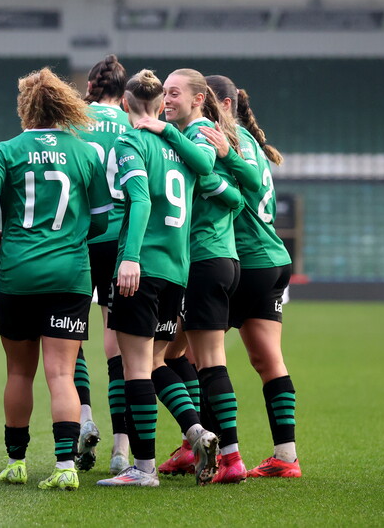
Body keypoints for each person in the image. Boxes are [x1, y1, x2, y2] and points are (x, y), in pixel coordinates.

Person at [0, 67, 113, 491]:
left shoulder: (6, 150)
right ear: (64, 106)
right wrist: (75, 236)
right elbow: (103, 221)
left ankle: (17, 462)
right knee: (62, 374)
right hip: (70, 275)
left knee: (18, 374)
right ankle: (65, 466)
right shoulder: (86, 153)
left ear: (25, 108)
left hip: (18, 275)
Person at [96, 69, 226, 487]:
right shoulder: (183, 147)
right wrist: (170, 133)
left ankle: (144, 468)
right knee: (154, 363)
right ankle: (197, 431)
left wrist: (129, 257)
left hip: (143, 267)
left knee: (134, 369)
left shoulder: (131, 140)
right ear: (159, 104)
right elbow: (208, 163)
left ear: (125, 105)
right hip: (177, 271)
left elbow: (137, 200)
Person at [136, 68, 250, 483]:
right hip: (215, 259)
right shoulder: (190, 136)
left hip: (203, 259)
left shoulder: (198, 136)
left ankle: (227, 454)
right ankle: (196, 443)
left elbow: (235, 191)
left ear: (199, 99)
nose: (166, 99)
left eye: (174, 92)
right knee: (172, 355)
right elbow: (240, 192)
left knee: (205, 361)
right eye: (163, 93)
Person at [203, 74, 300, 478]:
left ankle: (209, 448)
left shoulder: (223, 142)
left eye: (206, 105)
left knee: (192, 356)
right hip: (273, 257)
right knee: (267, 359)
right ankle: (286, 456)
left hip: (246, 261)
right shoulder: (251, 144)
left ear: (225, 105)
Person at [73, 54, 131, 474]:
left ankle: (83, 418)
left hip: (78, 238)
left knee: (68, 338)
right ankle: (121, 450)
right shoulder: (133, 124)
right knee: (119, 350)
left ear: (90, 85)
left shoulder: (74, 122)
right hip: (119, 241)